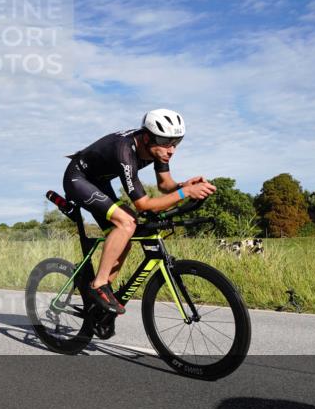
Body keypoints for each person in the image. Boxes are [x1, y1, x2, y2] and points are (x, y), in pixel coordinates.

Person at [63, 109, 216, 314]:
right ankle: (98, 284)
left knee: (126, 235)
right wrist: (186, 192)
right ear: (146, 137)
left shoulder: (158, 148)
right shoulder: (124, 152)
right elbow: (143, 204)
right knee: (127, 222)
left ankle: (97, 304)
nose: (171, 150)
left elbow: (164, 184)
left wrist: (183, 185)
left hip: (99, 182)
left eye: (176, 142)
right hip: (79, 179)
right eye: (166, 142)